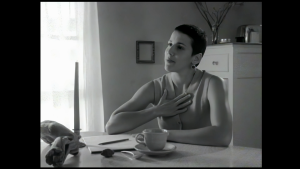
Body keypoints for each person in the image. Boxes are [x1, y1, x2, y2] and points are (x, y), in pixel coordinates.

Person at [105, 24, 232, 147]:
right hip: (168, 160)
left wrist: (165, 134)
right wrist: (156, 111)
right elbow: (112, 126)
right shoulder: (155, 87)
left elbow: (223, 136)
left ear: (196, 59)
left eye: (180, 47)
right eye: (170, 44)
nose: (169, 51)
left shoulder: (213, 84)